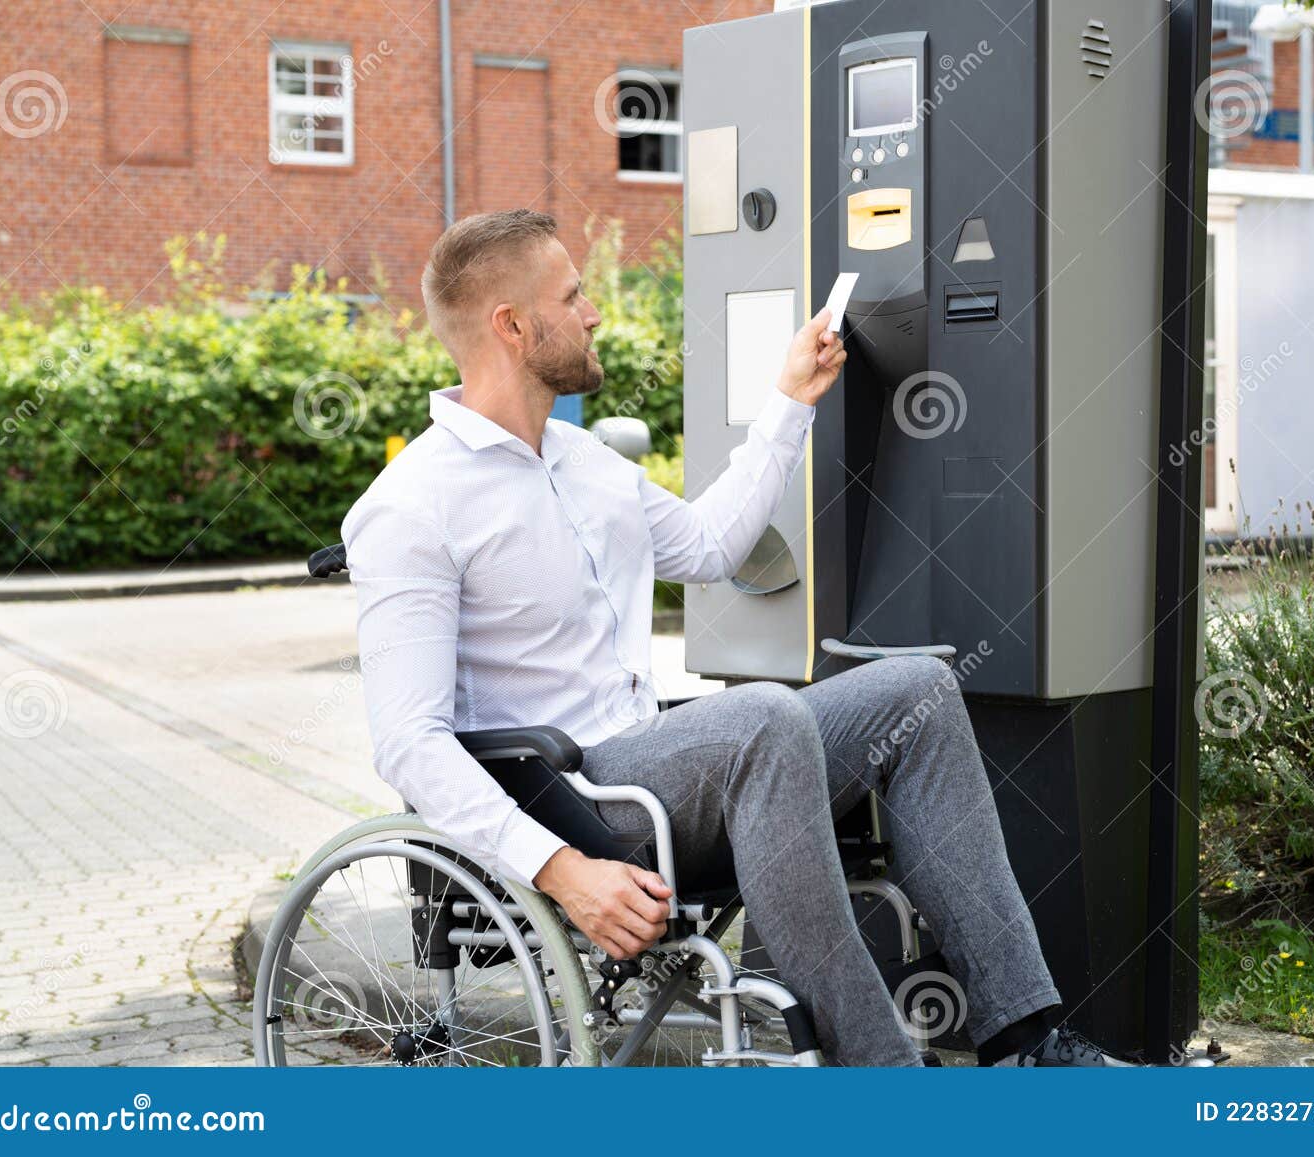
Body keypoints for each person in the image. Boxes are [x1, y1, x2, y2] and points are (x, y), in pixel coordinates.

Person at [344, 208, 1127, 1067]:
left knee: (918, 689)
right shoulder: (410, 505)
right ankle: (884, 1074)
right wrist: (563, 869)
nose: (594, 311)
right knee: (763, 717)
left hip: (660, 762)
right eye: (573, 296)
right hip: (576, 795)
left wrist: (790, 402)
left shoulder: (585, 462)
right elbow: (410, 744)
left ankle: (1026, 1040)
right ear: (511, 324)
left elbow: (712, 544)